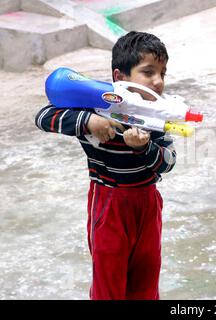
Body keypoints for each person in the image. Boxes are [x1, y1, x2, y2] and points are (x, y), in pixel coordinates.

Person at [34, 31, 176, 300]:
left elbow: (168, 163)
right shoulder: (97, 107)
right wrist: (89, 122)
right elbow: (43, 116)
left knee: (146, 279)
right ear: (119, 77)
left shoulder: (158, 114)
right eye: (148, 72)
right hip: (109, 202)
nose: (157, 82)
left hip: (147, 204)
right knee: (109, 280)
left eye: (162, 73)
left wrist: (143, 148)